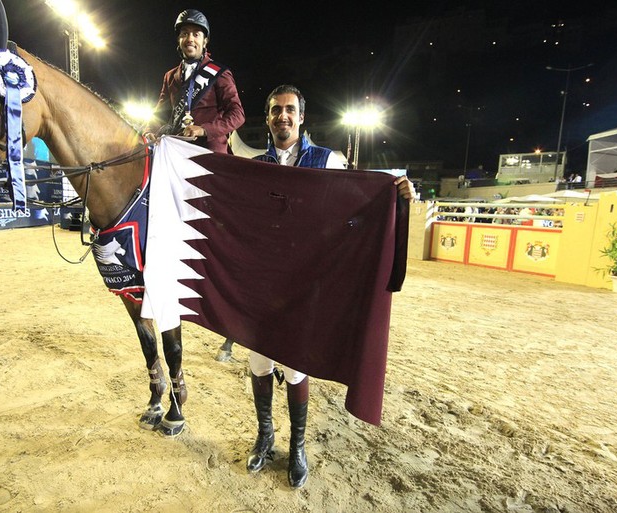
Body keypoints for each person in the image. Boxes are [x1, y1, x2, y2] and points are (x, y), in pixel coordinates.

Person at [242, 84, 415, 489]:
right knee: (259, 362)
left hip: (306, 286)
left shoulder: (328, 160)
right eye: (274, 111)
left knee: (296, 363)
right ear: (266, 119)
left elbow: (358, 204)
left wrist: (398, 196)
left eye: (289, 110)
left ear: (302, 117)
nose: (282, 117)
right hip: (265, 283)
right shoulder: (256, 165)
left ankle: (298, 445)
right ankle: (266, 436)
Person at [144, 9, 245, 154]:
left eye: (196, 34)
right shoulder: (169, 76)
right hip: (176, 153)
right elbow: (159, 114)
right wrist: (149, 131)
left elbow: (237, 115)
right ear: (179, 39)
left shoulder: (219, 72)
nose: (190, 39)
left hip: (210, 154)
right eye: (184, 33)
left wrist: (204, 130)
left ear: (205, 41)